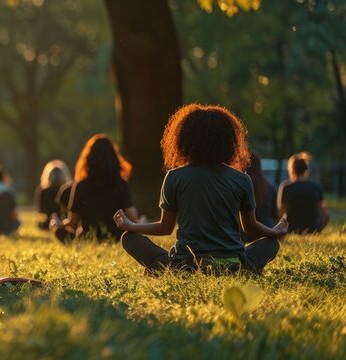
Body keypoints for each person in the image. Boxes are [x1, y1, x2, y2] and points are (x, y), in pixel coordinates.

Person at [116, 104, 287, 276]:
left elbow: (165, 228)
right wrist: (274, 232)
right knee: (271, 244)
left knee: (129, 238)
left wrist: (132, 226)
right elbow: (250, 227)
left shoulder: (175, 176)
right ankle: (244, 269)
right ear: (229, 141)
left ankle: (166, 269)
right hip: (231, 264)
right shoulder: (242, 179)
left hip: (185, 265)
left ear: (183, 139)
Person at [55, 134, 139, 242]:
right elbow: (132, 219)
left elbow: (72, 223)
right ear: (114, 158)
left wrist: (57, 223)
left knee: (61, 232)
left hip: (87, 237)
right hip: (117, 237)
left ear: (89, 158)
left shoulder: (81, 186)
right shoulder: (121, 185)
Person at [278, 152, 329, 234]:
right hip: (313, 228)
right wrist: (319, 227)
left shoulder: (286, 187)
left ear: (292, 169)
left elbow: (281, 212)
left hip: (291, 228)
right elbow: (323, 212)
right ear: (306, 169)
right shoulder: (316, 186)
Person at [244, 152, 277, 228]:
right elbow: (275, 215)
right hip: (268, 230)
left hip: (246, 234)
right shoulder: (270, 186)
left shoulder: (241, 185)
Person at [36, 160, 71, 229]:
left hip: (47, 222)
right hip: (64, 221)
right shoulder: (68, 190)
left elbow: (40, 210)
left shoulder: (43, 191)